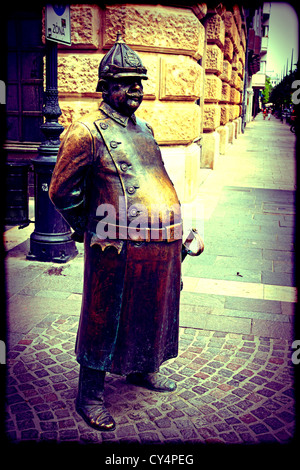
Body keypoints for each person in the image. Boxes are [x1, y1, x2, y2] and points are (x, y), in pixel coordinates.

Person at [49, 33, 183, 431]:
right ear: (106, 87)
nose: (136, 90)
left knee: (151, 310)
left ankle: (143, 365)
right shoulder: (86, 131)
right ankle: (89, 392)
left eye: (139, 82)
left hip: (158, 244)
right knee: (103, 317)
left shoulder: (145, 129)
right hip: (115, 246)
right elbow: (61, 190)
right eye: (126, 82)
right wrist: (87, 226)